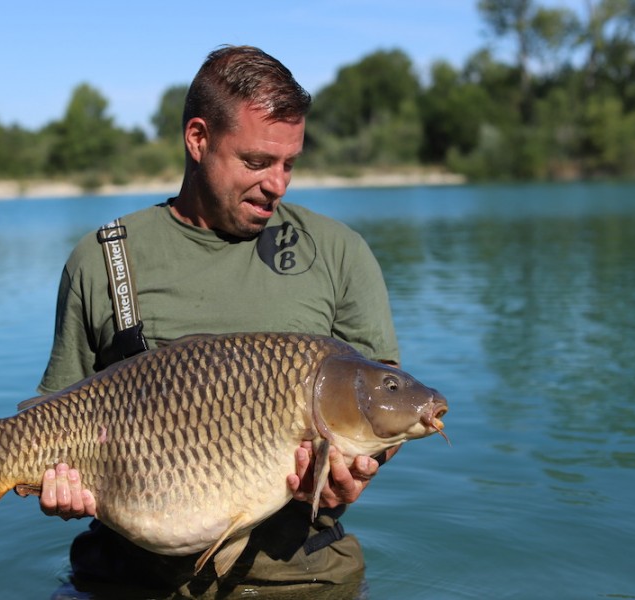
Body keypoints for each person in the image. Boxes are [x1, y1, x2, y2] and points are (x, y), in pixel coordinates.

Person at [32, 45, 401, 597]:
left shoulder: (339, 253)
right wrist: (58, 486)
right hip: (131, 577)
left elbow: (386, 404)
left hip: (301, 576)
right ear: (198, 140)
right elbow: (53, 417)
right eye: (256, 162)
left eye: (290, 164)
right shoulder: (104, 258)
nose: (277, 183)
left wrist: (359, 471)